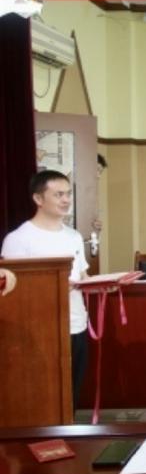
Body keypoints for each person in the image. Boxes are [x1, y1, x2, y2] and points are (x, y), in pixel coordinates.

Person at [1, 170, 89, 408]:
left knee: (72, 394)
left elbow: (82, 275)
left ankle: (70, 440)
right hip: (42, 330)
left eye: (68, 194)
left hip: (77, 324)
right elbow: (13, 291)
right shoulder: (18, 239)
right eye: (58, 194)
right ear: (38, 199)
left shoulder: (74, 236)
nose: (66, 200)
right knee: (46, 398)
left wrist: (102, 285)